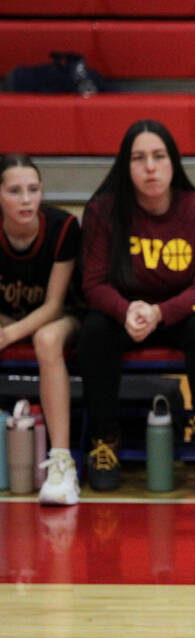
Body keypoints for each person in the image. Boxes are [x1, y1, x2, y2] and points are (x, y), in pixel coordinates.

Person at [79, 119, 195, 492]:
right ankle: (105, 441)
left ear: (173, 162)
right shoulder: (103, 211)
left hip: (184, 311)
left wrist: (160, 313)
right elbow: (93, 283)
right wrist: (125, 310)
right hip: (127, 312)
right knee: (93, 332)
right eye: (139, 158)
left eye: (159, 156)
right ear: (125, 166)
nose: (150, 167)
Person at [0, 153, 83, 505]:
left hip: (63, 317)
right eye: (15, 191)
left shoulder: (63, 227)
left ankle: (62, 461)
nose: (26, 200)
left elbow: (52, 305)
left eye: (33, 190)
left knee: (46, 340)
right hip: (11, 321)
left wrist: (7, 335)